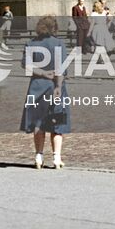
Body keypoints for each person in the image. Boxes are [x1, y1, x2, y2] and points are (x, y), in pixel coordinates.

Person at [20, 14, 71, 169]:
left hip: (37, 86)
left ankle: (39, 156)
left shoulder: (31, 43)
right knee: (57, 124)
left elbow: (26, 65)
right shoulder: (58, 43)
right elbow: (61, 69)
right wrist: (58, 87)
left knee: (38, 123)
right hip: (54, 86)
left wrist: (42, 73)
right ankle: (56, 158)